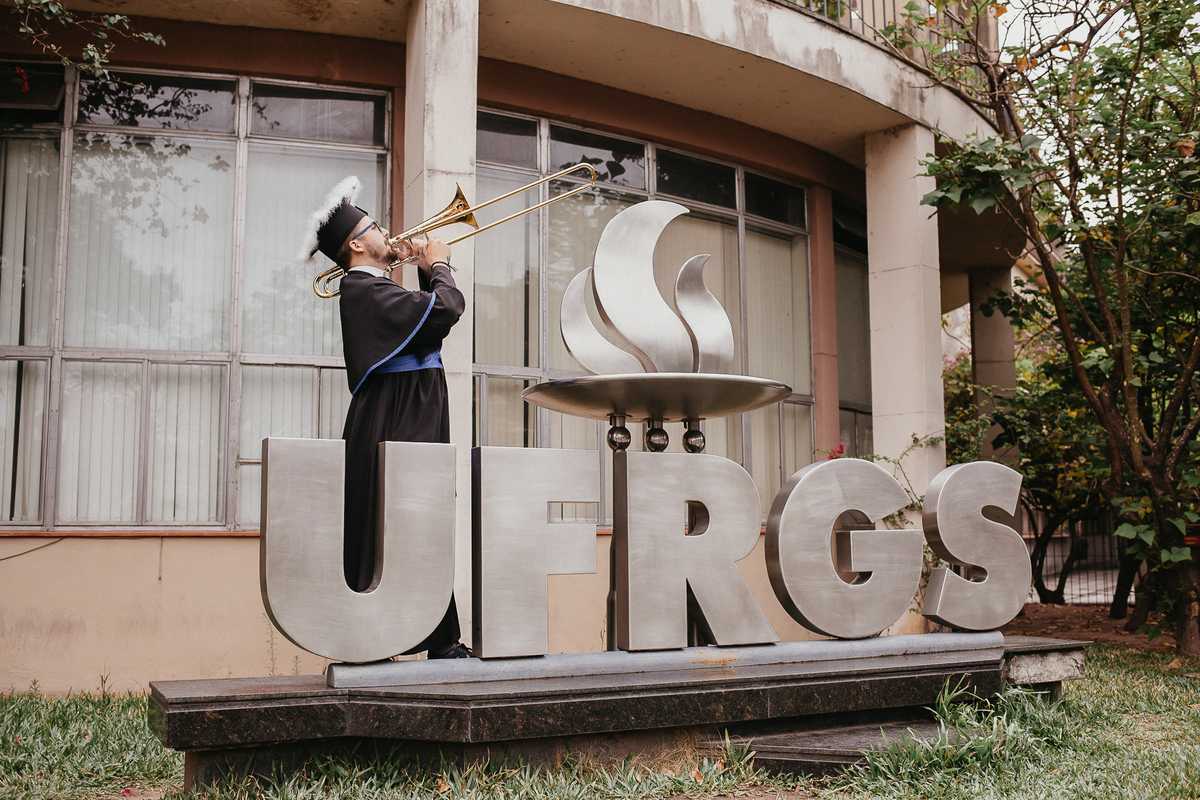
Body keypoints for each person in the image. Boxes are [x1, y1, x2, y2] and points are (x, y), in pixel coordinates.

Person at [301, 176, 472, 659]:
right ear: (356, 244)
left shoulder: (373, 289)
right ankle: (412, 641)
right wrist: (438, 262)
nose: (387, 232)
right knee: (407, 516)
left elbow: (425, 328)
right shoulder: (362, 289)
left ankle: (435, 640)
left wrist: (424, 270)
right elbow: (447, 308)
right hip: (398, 409)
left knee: (415, 518)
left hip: (406, 403)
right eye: (375, 226)